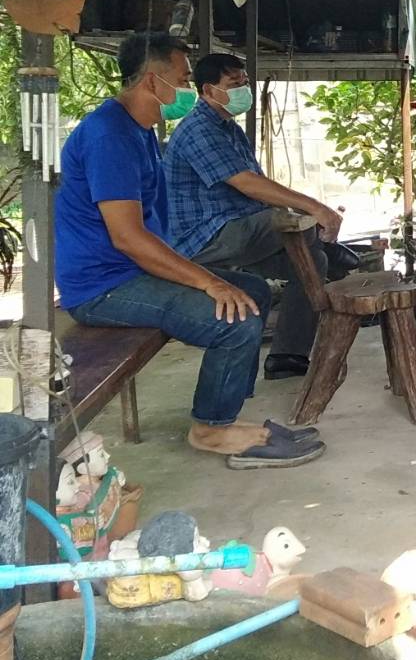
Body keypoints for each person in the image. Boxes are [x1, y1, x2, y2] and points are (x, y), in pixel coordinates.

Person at [55, 33, 324, 469]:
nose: (187, 89)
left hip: (131, 271)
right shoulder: (109, 136)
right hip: (102, 287)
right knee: (236, 317)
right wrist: (209, 281)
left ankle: (227, 412)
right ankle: (211, 431)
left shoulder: (138, 131)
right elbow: (128, 238)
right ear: (153, 80)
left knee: (252, 291)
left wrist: (210, 280)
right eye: (182, 79)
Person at [164, 53, 349, 381]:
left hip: (238, 229)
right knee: (292, 223)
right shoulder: (198, 129)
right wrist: (315, 208)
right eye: (234, 83)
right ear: (208, 90)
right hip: (205, 238)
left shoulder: (229, 130)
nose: (243, 89)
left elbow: (258, 189)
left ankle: (286, 356)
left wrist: (303, 208)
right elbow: (247, 184)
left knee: (311, 261)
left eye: (245, 82)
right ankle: (327, 243)